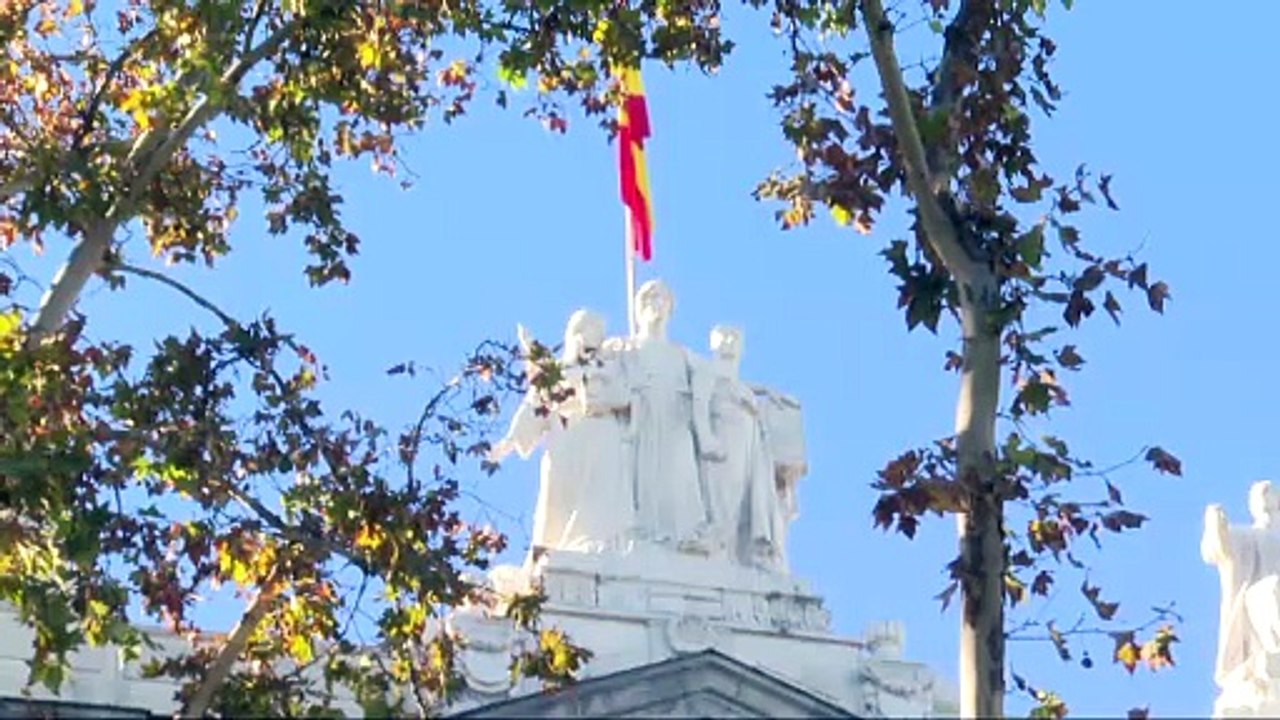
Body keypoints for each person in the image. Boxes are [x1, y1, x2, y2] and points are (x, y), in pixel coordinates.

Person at [490, 310, 632, 554]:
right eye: (590, 332)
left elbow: (623, 397)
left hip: (602, 436)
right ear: (575, 335)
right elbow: (533, 406)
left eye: (599, 335)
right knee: (560, 496)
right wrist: (510, 441)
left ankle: (600, 542)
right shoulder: (556, 373)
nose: (595, 340)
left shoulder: (609, 370)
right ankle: (554, 548)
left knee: (601, 492)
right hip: (566, 440)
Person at [622, 280, 719, 550]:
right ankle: (645, 531)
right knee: (645, 473)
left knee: (679, 473)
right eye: (650, 298)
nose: (656, 304)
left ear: (671, 308)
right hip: (643, 418)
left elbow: (713, 377)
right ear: (638, 308)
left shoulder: (682, 354)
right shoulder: (626, 348)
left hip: (676, 418)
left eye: (662, 299)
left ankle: (685, 534)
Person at [706, 325, 781, 568]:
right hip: (721, 440)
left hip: (745, 443)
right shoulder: (705, 375)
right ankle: (719, 549)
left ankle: (733, 552)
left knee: (741, 496)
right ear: (712, 343)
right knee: (721, 494)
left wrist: (764, 390)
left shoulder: (741, 386)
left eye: (735, 338)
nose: (729, 341)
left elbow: (736, 384)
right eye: (723, 336)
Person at [1203, 480, 1280, 697]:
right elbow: (1218, 549)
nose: (1265, 499)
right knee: (1270, 589)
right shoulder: (1246, 536)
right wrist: (1216, 526)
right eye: (1259, 496)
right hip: (1262, 600)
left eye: (1270, 494)